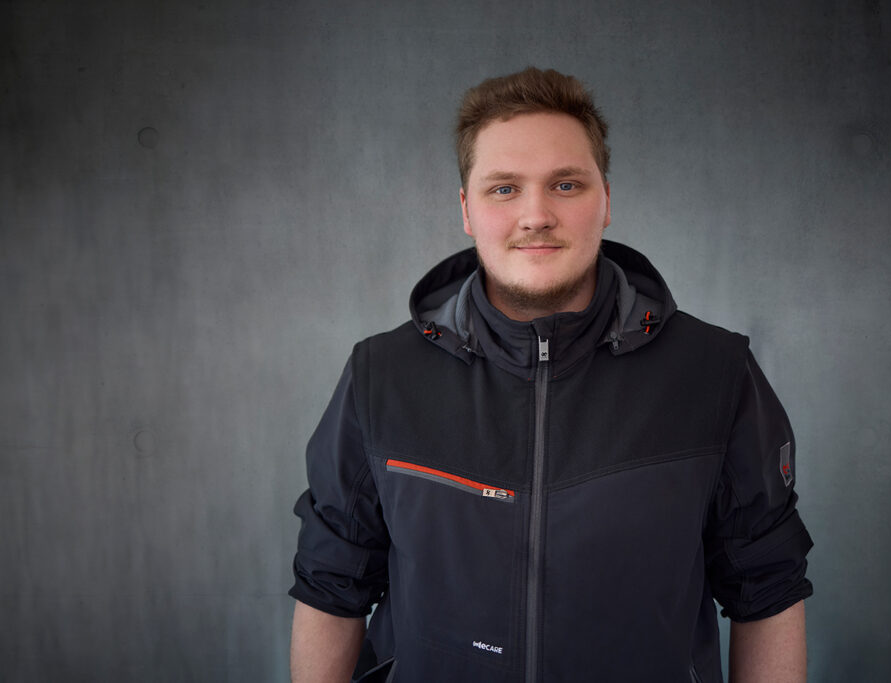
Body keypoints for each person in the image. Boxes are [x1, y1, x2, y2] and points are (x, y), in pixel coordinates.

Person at [289, 67, 813, 683]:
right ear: (467, 209)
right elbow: (331, 584)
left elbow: (767, 588)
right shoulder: (381, 377)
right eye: (504, 188)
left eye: (565, 184)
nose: (536, 214)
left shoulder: (714, 372)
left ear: (606, 201)